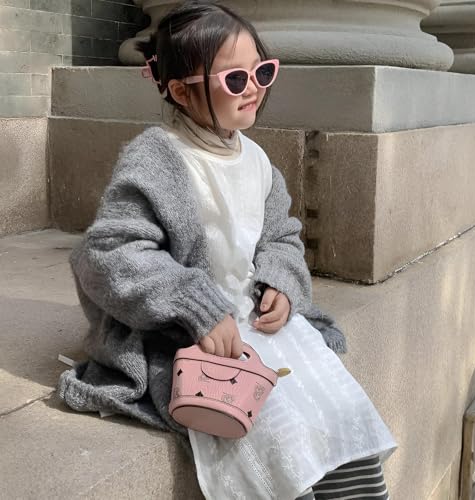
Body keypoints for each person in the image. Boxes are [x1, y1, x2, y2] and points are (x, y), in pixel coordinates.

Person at [57, 2, 397, 499]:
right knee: (274, 429)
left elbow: (280, 235)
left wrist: (280, 280)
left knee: (339, 410)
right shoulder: (158, 159)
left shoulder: (256, 160)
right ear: (181, 91)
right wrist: (196, 306)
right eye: (235, 80)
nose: (254, 88)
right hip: (188, 333)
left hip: (252, 321)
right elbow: (109, 253)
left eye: (262, 72)